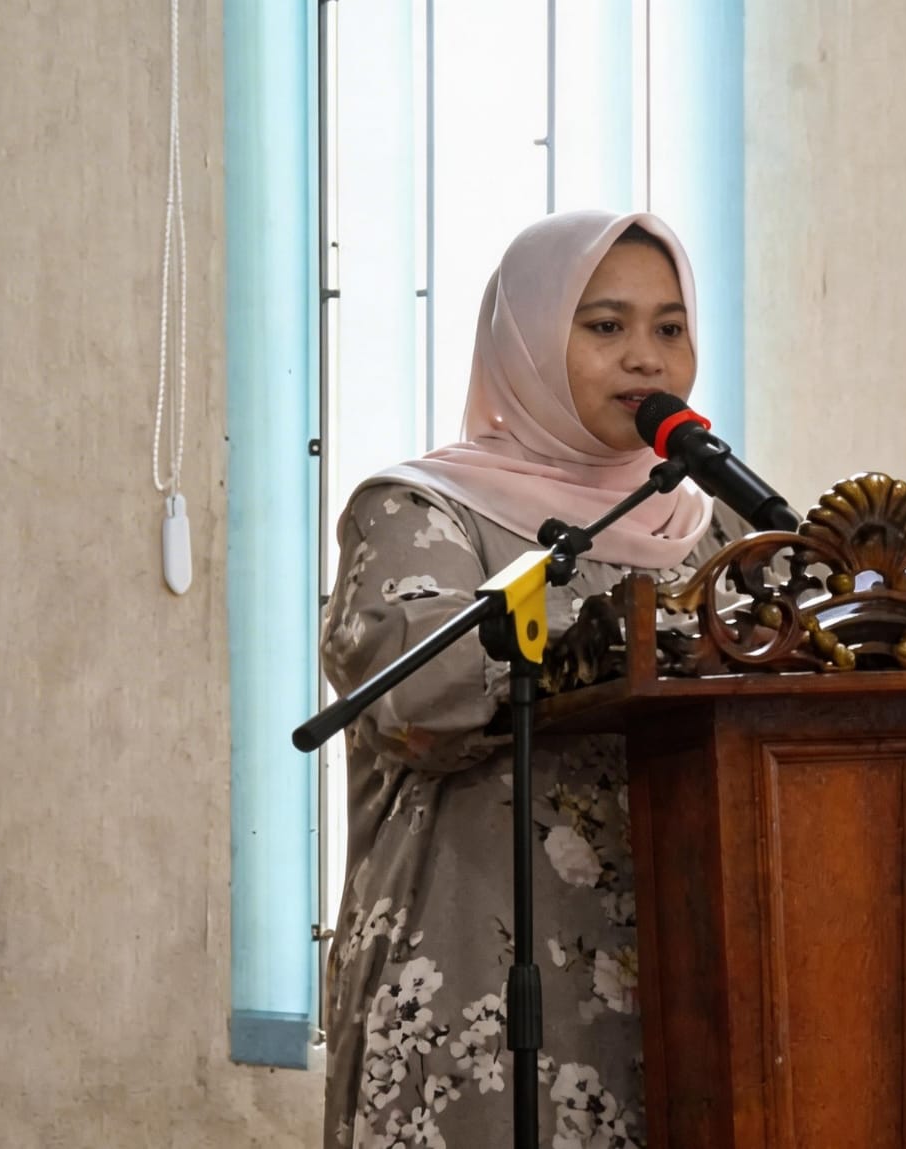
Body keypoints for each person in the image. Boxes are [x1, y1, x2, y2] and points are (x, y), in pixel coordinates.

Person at [319, 210, 749, 1148]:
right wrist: (603, 636)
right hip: (479, 980)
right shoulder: (421, 509)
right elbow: (415, 693)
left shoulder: (713, 533)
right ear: (527, 339)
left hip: (685, 986)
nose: (646, 358)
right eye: (606, 325)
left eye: (670, 328)